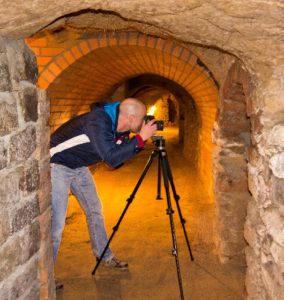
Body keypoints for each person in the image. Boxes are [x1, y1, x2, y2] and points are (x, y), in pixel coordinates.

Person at [50, 98, 156, 289]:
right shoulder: (99, 121)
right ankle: (46, 277)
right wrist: (140, 139)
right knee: (56, 224)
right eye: (142, 119)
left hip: (78, 165)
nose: (144, 122)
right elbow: (112, 158)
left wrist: (137, 142)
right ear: (131, 118)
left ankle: (103, 255)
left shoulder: (120, 129)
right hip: (58, 164)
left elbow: (115, 161)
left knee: (95, 210)